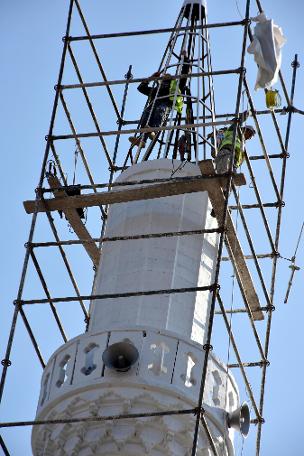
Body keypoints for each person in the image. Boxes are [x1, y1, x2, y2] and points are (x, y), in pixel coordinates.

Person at [129, 56, 190, 150]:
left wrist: (185, 59)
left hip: (167, 103)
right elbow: (141, 88)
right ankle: (142, 139)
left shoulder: (176, 85)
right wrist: (151, 78)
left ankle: (154, 130)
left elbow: (184, 73)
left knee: (160, 110)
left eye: (168, 75)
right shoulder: (156, 90)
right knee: (146, 114)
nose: (165, 74)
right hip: (155, 103)